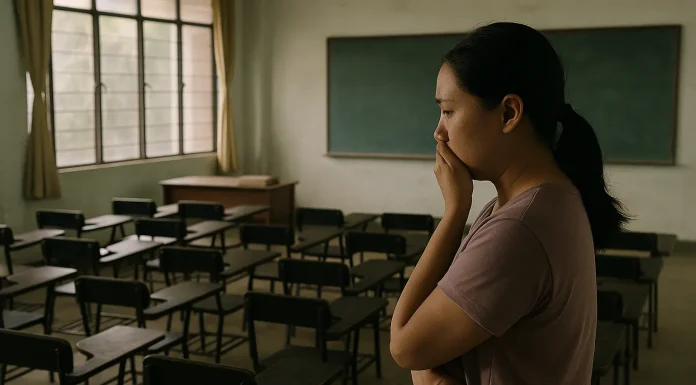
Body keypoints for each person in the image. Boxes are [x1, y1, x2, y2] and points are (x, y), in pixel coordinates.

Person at [389, 22, 629, 385]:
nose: (439, 132)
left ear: (508, 114)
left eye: (449, 111)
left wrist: (454, 214)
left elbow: (406, 347)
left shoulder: (520, 229)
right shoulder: (542, 200)